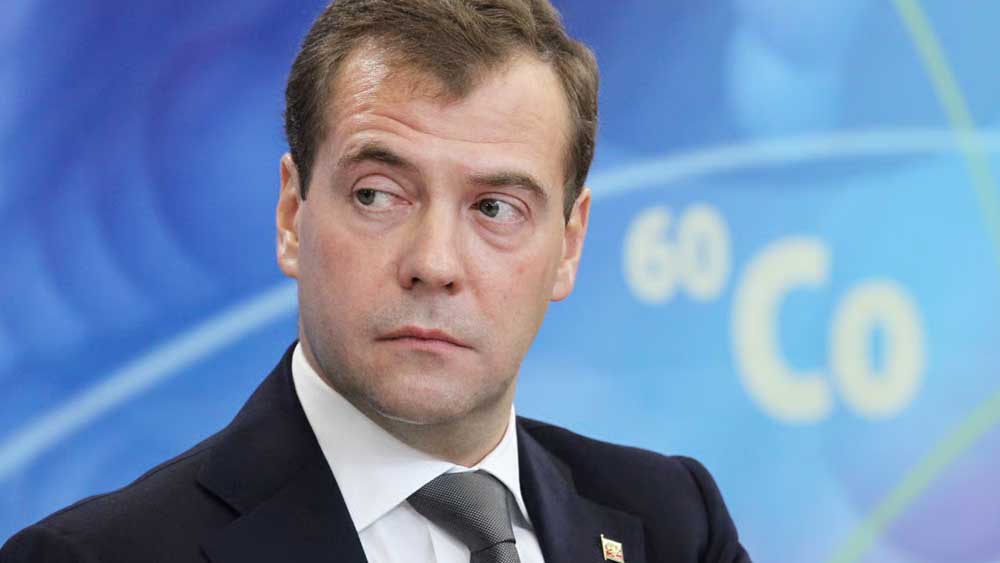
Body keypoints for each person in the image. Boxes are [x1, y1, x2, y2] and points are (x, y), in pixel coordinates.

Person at [1, 1, 750, 561]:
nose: (435, 263)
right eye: (377, 195)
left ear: (569, 244)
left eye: (495, 207)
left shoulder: (674, 525)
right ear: (292, 215)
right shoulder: (93, 557)